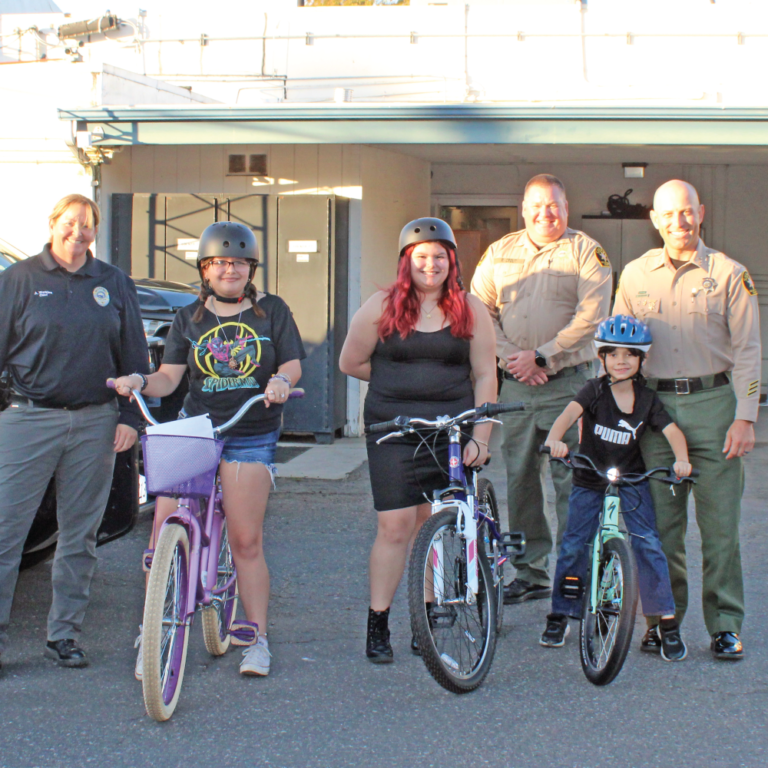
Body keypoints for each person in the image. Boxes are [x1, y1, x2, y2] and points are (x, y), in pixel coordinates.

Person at [112, 221, 305, 677]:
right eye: (219, 263)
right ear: (205, 269)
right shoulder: (189, 318)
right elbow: (169, 377)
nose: (229, 270)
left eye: (238, 262)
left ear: (250, 267)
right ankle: (152, 628)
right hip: (196, 428)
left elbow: (294, 363)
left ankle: (256, 638)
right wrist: (141, 381)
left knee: (245, 538)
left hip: (251, 429)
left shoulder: (271, 311)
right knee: (162, 526)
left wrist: (281, 381)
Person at [613, 179, 760, 661]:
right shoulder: (634, 275)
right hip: (655, 415)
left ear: (702, 212)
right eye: (669, 214)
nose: (679, 222)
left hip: (715, 408)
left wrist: (745, 417)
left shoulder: (730, 274)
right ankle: (662, 621)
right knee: (660, 529)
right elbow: (617, 353)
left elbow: (747, 353)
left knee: (721, 529)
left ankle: (725, 625)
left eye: (687, 212)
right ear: (654, 220)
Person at [339, 217, 497, 663]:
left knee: (431, 522)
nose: (431, 265)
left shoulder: (470, 308)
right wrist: (400, 383)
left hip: (450, 430)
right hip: (393, 429)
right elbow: (351, 361)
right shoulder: (380, 306)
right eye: (421, 257)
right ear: (406, 261)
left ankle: (424, 620)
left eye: (440, 257)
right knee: (394, 527)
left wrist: (480, 437)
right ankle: (378, 622)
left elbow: (486, 374)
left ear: (452, 261)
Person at [0, 194, 148, 670]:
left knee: (79, 535)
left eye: (87, 225)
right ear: (53, 225)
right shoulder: (19, 280)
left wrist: (129, 420)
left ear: (95, 230)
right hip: (29, 418)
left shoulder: (113, 282)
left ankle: (64, 635)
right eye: (70, 223)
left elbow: (135, 360)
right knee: (7, 532)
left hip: (96, 421)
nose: (77, 232)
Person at [471, 174, 612, 605]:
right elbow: (479, 310)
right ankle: (530, 573)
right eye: (537, 205)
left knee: (573, 480)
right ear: (523, 207)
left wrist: (543, 355)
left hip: (569, 386)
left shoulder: (587, 251)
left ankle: (578, 573)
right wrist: (519, 357)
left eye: (553, 205)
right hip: (515, 387)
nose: (545, 213)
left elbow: (591, 316)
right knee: (520, 481)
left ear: (566, 208)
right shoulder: (499, 252)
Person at [541, 315, 691, 661]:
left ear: (641, 360)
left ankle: (666, 623)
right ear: (602, 357)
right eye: (613, 354)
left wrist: (682, 459)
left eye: (630, 354)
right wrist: (554, 440)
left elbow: (671, 432)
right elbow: (568, 415)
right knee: (575, 543)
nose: (621, 361)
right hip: (590, 476)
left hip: (631, 478)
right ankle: (560, 613)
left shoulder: (647, 399)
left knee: (649, 544)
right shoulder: (593, 391)